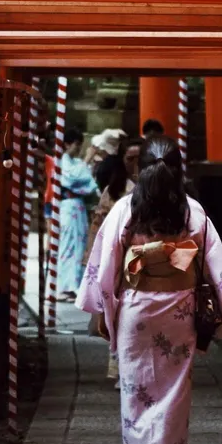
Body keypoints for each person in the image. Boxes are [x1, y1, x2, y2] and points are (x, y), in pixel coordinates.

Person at [76, 135, 222, 444]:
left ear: (139, 167)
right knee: (173, 390)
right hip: (179, 307)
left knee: (135, 389)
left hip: (137, 306)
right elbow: (214, 263)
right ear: (179, 170)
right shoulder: (192, 211)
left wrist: (102, 308)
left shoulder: (126, 209)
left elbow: (106, 263)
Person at [82, 136, 145, 387]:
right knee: (121, 316)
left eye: (139, 159)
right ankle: (121, 367)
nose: (135, 164)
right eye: (130, 159)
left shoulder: (157, 188)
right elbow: (98, 226)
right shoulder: (115, 190)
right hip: (120, 260)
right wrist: (92, 258)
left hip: (149, 260)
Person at [58, 127, 99, 301]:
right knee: (68, 244)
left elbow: (88, 182)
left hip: (78, 205)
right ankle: (64, 287)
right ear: (67, 144)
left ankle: (73, 286)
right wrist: (87, 160)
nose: (79, 148)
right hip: (68, 205)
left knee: (79, 246)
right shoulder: (63, 160)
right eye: (76, 144)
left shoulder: (75, 162)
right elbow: (73, 178)